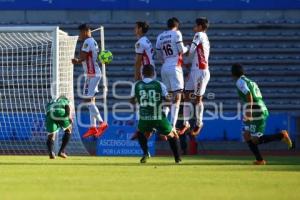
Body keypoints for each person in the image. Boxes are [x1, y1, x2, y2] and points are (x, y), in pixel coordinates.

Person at [231, 63, 293, 165]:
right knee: (246, 135)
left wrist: (249, 111)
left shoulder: (239, 81)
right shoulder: (249, 81)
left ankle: (281, 136)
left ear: (233, 74)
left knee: (256, 140)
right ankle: (259, 160)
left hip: (257, 110)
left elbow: (249, 94)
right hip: (256, 107)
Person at [131, 64, 181, 164]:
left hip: (144, 117)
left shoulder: (136, 85)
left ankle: (145, 153)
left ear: (142, 74)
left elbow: (132, 101)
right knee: (172, 135)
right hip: (158, 116)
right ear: (153, 74)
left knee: (140, 132)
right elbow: (167, 100)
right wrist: (171, 99)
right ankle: (177, 159)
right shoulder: (159, 85)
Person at [72, 24, 108, 138]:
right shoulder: (93, 41)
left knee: (87, 99)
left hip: (92, 74)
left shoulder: (87, 42)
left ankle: (102, 123)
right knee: (91, 100)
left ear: (86, 31)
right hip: (93, 73)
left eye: (81, 32)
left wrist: (75, 60)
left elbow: (82, 57)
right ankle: (93, 127)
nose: (80, 35)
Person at [156, 17, 189, 131]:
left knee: (168, 97)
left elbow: (159, 55)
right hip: (175, 67)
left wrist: (166, 60)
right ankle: (172, 126)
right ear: (177, 26)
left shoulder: (160, 36)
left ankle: (163, 121)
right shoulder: (176, 34)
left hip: (164, 67)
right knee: (177, 97)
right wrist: (188, 48)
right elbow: (181, 49)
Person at [180, 17, 210, 136]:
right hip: (195, 71)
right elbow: (197, 53)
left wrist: (181, 48)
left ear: (201, 27)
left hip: (201, 72)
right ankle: (186, 123)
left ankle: (199, 123)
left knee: (198, 99)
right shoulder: (202, 37)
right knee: (186, 95)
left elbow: (191, 50)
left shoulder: (199, 35)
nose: (194, 27)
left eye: (196, 25)